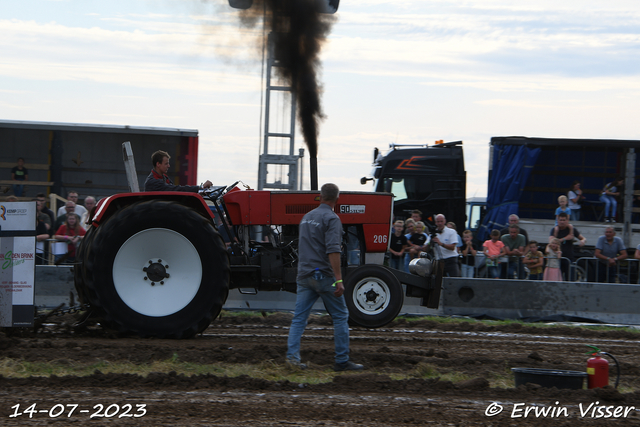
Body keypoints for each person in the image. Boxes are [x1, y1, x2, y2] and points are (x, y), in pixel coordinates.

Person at [286, 183, 363, 372]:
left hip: (304, 274)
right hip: (324, 275)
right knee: (340, 316)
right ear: (337, 199)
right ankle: (342, 361)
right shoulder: (332, 218)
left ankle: (292, 359)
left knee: (299, 318)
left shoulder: (306, 218)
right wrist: (338, 280)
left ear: (320, 197)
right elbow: (333, 250)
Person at [145, 150, 213, 192]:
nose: (169, 166)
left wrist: (199, 193)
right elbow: (175, 189)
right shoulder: (153, 182)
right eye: (166, 164)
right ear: (158, 164)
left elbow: (177, 191)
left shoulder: (164, 178)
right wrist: (200, 187)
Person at [549, 212, 586, 281]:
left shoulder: (571, 229)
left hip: (569, 258)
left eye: (564, 220)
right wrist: (564, 239)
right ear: (557, 220)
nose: (562, 222)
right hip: (557, 258)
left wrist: (582, 241)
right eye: (560, 220)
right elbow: (551, 242)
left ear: (567, 220)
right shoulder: (554, 229)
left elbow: (583, 238)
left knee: (570, 277)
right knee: (557, 278)